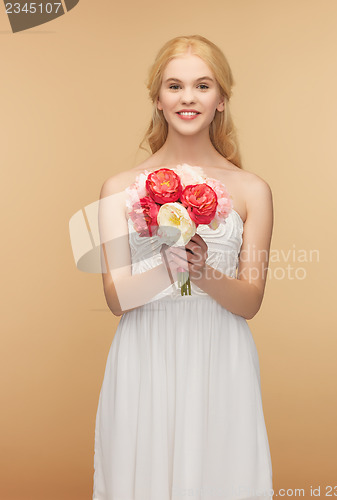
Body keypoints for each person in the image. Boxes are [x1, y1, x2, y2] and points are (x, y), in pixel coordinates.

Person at [93, 34, 274, 500]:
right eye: (174, 86)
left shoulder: (253, 190)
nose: (188, 98)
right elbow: (116, 299)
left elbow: (251, 302)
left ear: (221, 99)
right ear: (157, 98)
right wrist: (168, 268)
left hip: (220, 354)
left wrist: (204, 269)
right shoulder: (118, 188)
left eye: (202, 85)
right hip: (145, 353)